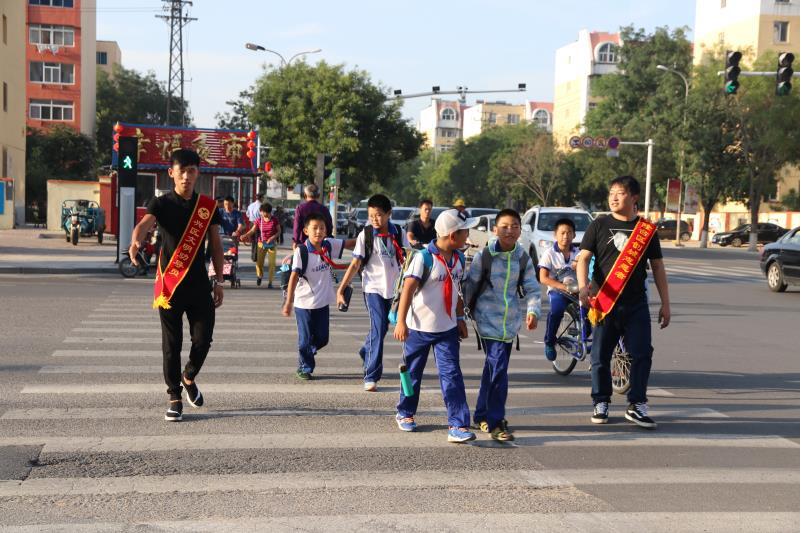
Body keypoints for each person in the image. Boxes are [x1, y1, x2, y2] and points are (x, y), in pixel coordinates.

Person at [128, 148, 224, 422]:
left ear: (197, 173)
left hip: (199, 285)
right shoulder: (160, 204)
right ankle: (174, 396)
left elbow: (216, 245)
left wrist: (219, 280)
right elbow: (144, 225)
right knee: (172, 344)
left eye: (191, 171)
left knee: (203, 340)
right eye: (181, 171)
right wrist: (136, 242)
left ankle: (188, 377)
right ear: (172, 173)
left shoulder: (207, 207)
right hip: (170, 286)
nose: (186, 177)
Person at [576, 175, 671, 429]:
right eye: (611, 193)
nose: (613, 197)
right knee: (600, 356)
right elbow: (583, 258)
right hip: (605, 302)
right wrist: (583, 287)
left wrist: (666, 303)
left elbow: (658, 267)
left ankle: (637, 404)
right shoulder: (599, 224)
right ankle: (601, 401)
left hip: (636, 304)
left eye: (620, 193)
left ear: (634, 197)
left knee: (642, 353)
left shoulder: (646, 231)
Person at [393, 209, 479, 443]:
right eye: (465, 232)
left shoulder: (459, 258)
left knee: (452, 375)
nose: (468, 236)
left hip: (447, 330)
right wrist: (401, 322)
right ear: (452, 235)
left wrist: (459, 319)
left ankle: (458, 424)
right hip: (418, 329)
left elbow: (457, 291)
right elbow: (407, 290)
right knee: (412, 374)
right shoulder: (423, 258)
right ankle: (405, 411)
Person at [463, 209, 541, 442]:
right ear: (495, 229)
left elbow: (533, 288)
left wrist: (533, 311)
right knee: (498, 369)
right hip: (487, 321)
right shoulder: (484, 256)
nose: (510, 231)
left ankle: (481, 414)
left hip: (510, 324)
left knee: (493, 369)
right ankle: (496, 421)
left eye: (515, 226)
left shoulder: (523, 258)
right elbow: (470, 287)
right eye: (505, 226)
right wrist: (460, 317)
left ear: (520, 230)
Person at [337, 194, 405, 392]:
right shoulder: (365, 235)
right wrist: (341, 288)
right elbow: (355, 264)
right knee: (378, 328)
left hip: (394, 290)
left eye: (379, 215)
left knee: (381, 329)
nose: (375, 219)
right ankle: (371, 375)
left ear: (389, 214)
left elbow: (408, 259)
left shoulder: (398, 233)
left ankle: (366, 349)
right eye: (371, 215)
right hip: (372, 288)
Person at [282, 212, 356, 380]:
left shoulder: (328, 244)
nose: (318, 231)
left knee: (323, 338)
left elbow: (349, 243)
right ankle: (304, 367)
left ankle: (308, 351)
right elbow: (294, 277)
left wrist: (368, 237)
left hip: (322, 302)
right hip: (304, 304)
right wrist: (288, 302)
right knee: (305, 339)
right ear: (306, 231)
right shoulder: (301, 251)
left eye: (322, 228)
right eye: (314, 228)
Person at [538, 218, 583, 362]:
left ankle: (583, 339)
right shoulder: (549, 253)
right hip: (558, 291)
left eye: (569, 233)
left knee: (591, 313)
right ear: (555, 235)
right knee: (556, 311)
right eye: (562, 233)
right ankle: (549, 341)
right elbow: (543, 278)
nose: (566, 236)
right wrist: (564, 287)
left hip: (578, 291)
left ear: (574, 235)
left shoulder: (579, 253)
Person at [243, 202, 280, 288]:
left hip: (272, 244)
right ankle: (260, 275)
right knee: (259, 263)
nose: (261, 213)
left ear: (268, 212)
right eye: (261, 212)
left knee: (272, 264)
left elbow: (279, 231)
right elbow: (252, 230)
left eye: (263, 212)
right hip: (261, 244)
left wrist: (273, 237)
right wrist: (245, 235)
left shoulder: (274, 220)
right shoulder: (259, 220)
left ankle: (270, 282)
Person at [246, 192, 264, 262]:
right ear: (261, 198)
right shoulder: (261, 206)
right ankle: (256, 256)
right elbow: (262, 215)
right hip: (258, 223)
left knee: (253, 240)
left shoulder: (251, 205)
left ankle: (253, 256)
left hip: (251, 223)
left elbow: (247, 214)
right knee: (258, 240)